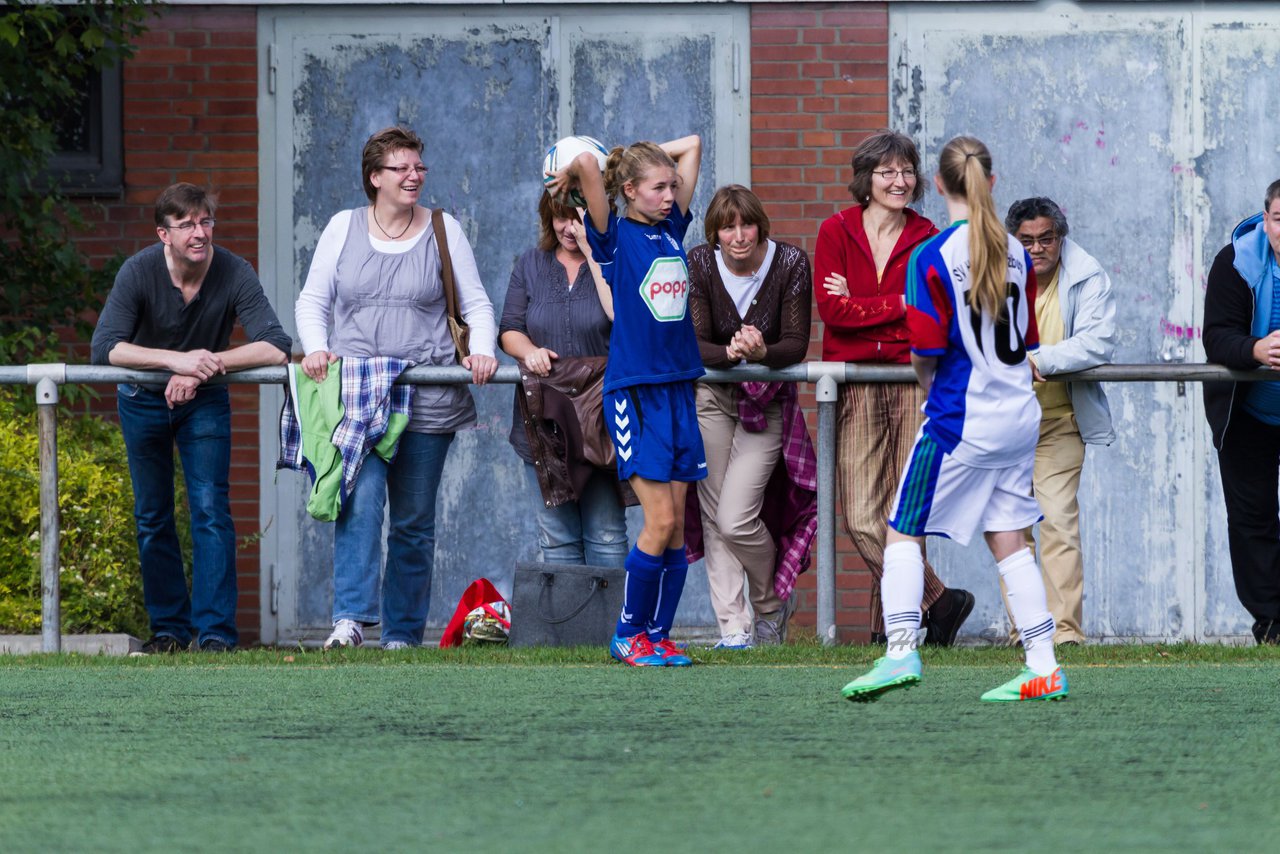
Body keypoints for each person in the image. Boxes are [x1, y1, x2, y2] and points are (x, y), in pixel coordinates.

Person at [842, 135, 1068, 703]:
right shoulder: (1018, 252)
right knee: (1011, 539)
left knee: (900, 528)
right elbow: (1028, 342)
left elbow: (925, 349)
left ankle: (898, 651)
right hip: (1019, 416)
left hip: (961, 418)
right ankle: (1043, 665)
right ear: (991, 183)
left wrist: (929, 386)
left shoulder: (933, 255)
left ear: (937, 185)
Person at [295, 126, 497, 650]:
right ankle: (351, 621)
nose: (414, 176)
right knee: (358, 502)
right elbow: (312, 300)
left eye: (419, 167)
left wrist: (484, 350)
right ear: (374, 177)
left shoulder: (443, 228)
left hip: (427, 393)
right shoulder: (343, 227)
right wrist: (316, 345)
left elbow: (476, 305)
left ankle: (403, 635)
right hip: (359, 396)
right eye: (401, 168)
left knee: (412, 520)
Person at [90, 183, 292, 653]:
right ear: (164, 233)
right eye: (186, 226)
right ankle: (169, 630)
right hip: (142, 399)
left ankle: (216, 634)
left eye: (206, 222)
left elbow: (275, 344)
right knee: (153, 514)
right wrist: (173, 362)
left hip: (204, 401)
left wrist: (205, 366)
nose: (199, 233)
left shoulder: (234, 271)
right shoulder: (138, 271)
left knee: (210, 510)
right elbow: (105, 347)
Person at [546, 134, 704, 667]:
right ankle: (628, 633)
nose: (669, 194)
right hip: (636, 395)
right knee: (658, 523)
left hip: (680, 389)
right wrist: (595, 167)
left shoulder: (673, 229)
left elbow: (694, 145)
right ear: (630, 191)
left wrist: (635, 159)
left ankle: (658, 636)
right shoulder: (613, 236)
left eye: (672, 187)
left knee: (679, 526)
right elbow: (589, 163)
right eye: (657, 187)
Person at [813, 130, 974, 646]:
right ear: (866, 179)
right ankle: (940, 601)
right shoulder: (835, 232)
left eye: (906, 171)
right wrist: (898, 305)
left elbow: (933, 317)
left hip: (913, 382)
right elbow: (831, 312)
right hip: (855, 385)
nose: (899, 181)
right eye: (887, 172)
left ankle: (894, 632)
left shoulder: (930, 236)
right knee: (861, 515)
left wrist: (875, 308)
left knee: (907, 511)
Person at [686, 184, 816, 649]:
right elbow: (694, 341)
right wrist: (730, 351)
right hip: (713, 399)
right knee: (712, 514)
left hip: (768, 403)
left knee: (736, 518)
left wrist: (762, 352)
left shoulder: (790, 263)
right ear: (715, 233)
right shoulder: (700, 263)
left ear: (760, 226)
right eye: (728, 227)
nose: (739, 236)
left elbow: (796, 343)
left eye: (747, 225)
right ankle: (734, 629)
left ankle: (769, 606)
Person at [1000, 197, 1116, 646]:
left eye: (1045, 238)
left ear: (1060, 236)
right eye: (1026, 240)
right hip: (1007, 422)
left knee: (1059, 522)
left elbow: (1097, 342)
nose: (1036, 248)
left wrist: (1036, 359)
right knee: (1012, 529)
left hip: (1059, 420)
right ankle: (1024, 630)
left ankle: (1065, 632)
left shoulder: (1087, 274)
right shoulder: (993, 273)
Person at [499, 191, 628, 567]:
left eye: (579, 218)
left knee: (606, 538)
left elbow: (624, 319)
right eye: (560, 217)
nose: (569, 228)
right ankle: (567, 629)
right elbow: (509, 328)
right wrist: (528, 351)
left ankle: (609, 628)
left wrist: (594, 251)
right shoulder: (530, 264)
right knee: (557, 541)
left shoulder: (616, 261)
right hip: (545, 419)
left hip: (600, 419)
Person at [1204, 179, 1280, 645]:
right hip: (1248, 414)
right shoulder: (1235, 262)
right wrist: (1256, 348)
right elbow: (1216, 337)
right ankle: (1271, 623)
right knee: (1252, 520)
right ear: (1266, 219)